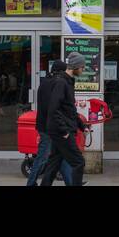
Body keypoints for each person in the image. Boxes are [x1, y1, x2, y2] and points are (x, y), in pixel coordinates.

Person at [39, 52, 89, 187]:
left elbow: (69, 110)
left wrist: (82, 126)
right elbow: (53, 109)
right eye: (82, 67)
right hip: (61, 131)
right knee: (79, 162)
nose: (83, 70)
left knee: (54, 163)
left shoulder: (67, 81)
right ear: (76, 66)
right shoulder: (61, 82)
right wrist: (64, 130)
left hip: (60, 129)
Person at [26, 59, 73, 186]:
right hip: (50, 128)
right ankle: (30, 183)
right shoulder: (54, 84)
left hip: (47, 126)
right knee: (42, 157)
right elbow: (53, 109)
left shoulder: (45, 83)